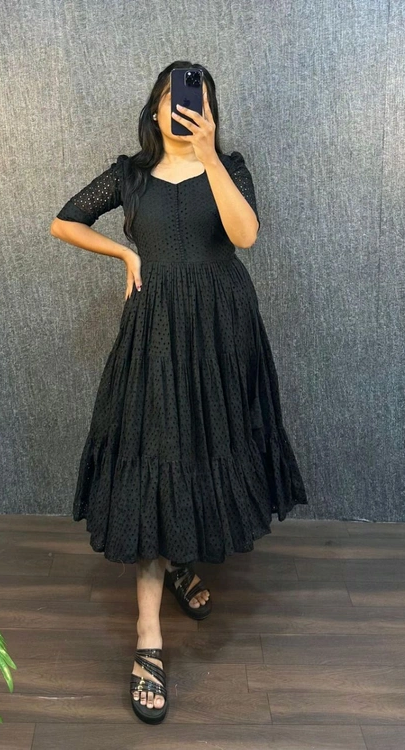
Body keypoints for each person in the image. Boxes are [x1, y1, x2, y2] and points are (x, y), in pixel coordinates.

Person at [50, 61, 309, 724]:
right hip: (157, 330)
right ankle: (148, 637)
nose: (181, 107)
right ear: (155, 108)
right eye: (171, 97)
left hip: (222, 330)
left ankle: (181, 560)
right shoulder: (130, 175)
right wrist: (126, 255)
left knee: (201, 445)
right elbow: (65, 221)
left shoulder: (231, 167)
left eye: (195, 99)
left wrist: (210, 154)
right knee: (156, 456)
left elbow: (245, 235)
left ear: (208, 110)